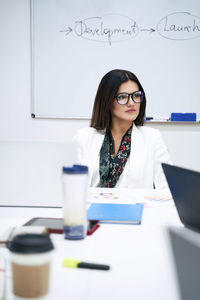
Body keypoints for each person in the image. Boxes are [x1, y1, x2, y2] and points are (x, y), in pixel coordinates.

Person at [74, 69, 172, 189]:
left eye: (136, 95)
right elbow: (73, 186)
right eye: (122, 97)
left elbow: (167, 188)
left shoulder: (152, 138)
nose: (131, 103)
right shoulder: (84, 137)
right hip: (92, 206)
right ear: (108, 101)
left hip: (136, 206)